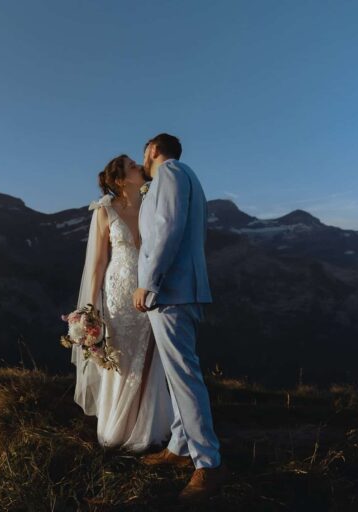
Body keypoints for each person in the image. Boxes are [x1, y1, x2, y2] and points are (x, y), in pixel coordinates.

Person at [133, 133, 230, 503]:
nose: (143, 159)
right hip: (182, 290)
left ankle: (209, 463)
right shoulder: (188, 176)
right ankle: (179, 445)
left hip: (171, 291)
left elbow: (167, 230)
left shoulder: (170, 174)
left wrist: (149, 282)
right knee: (177, 375)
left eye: (144, 152)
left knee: (185, 377)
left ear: (153, 150)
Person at [72, 154, 172, 451]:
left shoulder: (151, 205)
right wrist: (90, 307)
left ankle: (145, 428)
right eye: (132, 166)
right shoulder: (104, 211)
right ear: (119, 180)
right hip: (117, 293)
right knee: (122, 358)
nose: (139, 167)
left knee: (148, 356)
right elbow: (99, 262)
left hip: (148, 290)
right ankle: (117, 427)